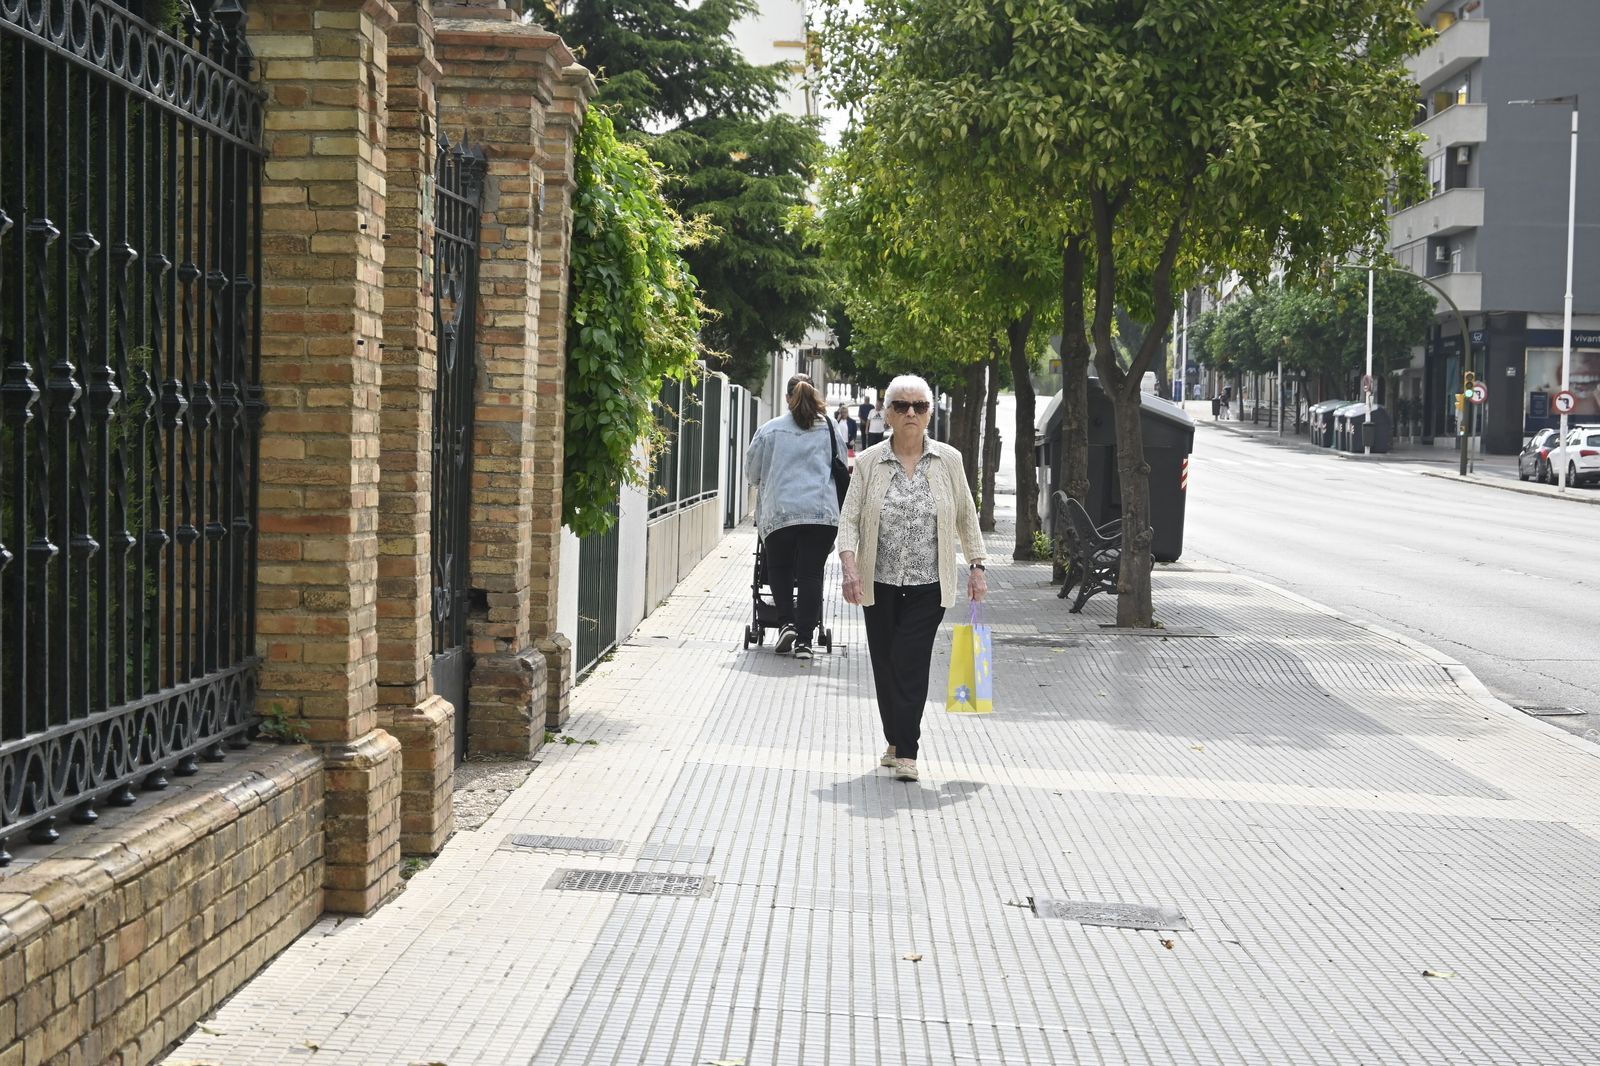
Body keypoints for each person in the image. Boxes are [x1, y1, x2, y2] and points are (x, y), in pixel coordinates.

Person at [837, 374, 987, 782]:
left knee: (909, 659)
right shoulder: (869, 462)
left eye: (919, 406)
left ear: (929, 414)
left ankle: (907, 751)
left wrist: (977, 566)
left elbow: (966, 515)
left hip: (929, 584)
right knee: (885, 663)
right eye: (901, 406)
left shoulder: (948, 460)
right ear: (887, 414)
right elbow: (849, 519)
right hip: (878, 582)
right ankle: (894, 739)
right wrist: (850, 567)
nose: (910, 413)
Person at [745, 374, 844, 660]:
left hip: (781, 512)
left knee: (780, 568)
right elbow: (840, 463)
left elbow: (752, 473)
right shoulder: (830, 427)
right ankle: (804, 641)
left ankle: (786, 623)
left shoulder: (770, 430)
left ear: (788, 398)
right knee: (811, 574)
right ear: (815, 395)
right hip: (821, 514)